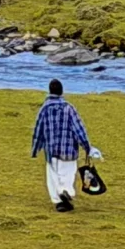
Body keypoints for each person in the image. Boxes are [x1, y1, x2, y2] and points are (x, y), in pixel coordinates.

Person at [31, 78, 99, 211]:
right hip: (68, 150)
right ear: (62, 91)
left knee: (53, 175)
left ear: (50, 91)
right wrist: (87, 147)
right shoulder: (69, 108)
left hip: (51, 150)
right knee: (67, 174)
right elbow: (79, 129)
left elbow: (38, 130)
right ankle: (65, 191)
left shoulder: (44, 109)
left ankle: (58, 202)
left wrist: (35, 149)